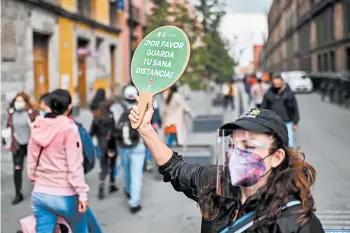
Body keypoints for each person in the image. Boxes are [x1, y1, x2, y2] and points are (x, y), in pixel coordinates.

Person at [128, 97, 325, 233]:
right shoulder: (215, 182)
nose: (236, 154)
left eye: (249, 146)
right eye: (232, 145)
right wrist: (145, 130)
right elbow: (176, 168)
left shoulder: (298, 221)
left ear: (276, 157)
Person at [27, 89, 89, 233]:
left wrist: (34, 179)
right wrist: (82, 194)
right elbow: (74, 165)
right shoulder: (69, 129)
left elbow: (31, 159)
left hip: (40, 193)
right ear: (68, 107)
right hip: (63, 193)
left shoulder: (38, 126)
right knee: (80, 228)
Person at [112, 85, 146, 214]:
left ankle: (128, 188)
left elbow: (114, 125)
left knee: (126, 168)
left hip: (122, 144)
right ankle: (134, 202)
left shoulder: (116, 108)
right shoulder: (140, 107)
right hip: (138, 144)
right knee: (136, 173)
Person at [2, 92, 38, 205]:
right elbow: (8, 128)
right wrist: (5, 141)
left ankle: (40, 192)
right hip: (17, 146)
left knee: (35, 169)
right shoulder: (11, 114)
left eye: (21, 101)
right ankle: (18, 194)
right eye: (17, 101)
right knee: (17, 169)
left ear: (26, 102)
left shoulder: (31, 113)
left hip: (30, 145)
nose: (18, 103)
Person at [90, 99, 118, 200]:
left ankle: (101, 186)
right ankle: (111, 184)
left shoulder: (96, 118)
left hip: (101, 147)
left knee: (103, 167)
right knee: (112, 166)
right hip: (111, 145)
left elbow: (91, 133)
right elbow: (114, 132)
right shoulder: (111, 116)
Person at [261, 75, 299, 148]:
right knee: (273, 144)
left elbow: (295, 108)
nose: (277, 86)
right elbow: (263, 108)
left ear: (282, 83)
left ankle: (288, 158)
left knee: (289, 145)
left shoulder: (289, 93)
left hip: (287, 122)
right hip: (273, 123)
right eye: (275, 84)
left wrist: (295, 122)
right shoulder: (269, 93)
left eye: (278, 84)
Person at [144, 98, 162, 172]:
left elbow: (157, 114)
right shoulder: (153, 102)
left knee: (149, 146)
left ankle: (148, 162)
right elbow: (157, 114)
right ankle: (148, 162)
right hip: (149, 127)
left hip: (151, 127)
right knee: (150, 146)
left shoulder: (154, 103)